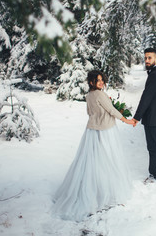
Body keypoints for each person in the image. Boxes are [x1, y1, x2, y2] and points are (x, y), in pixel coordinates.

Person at [52, 70, 134, 221]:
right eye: (98, 80)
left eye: (102, 80)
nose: (101, 83)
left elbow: (90, 112)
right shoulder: (100, 94)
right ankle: (104, 191)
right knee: (108, 159)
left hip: (92, 130)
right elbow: (111, 110)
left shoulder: (89, 95)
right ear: (91, 82)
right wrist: (126, 120)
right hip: (105, 130)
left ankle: (93, 188)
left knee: (91, 160)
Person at [133, 48, 156, 182]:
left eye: (150, 58)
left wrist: (137, 116)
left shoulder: (154, 75)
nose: (147, 60)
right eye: (146, 58)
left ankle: (153, 174)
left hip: (153, 117)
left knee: (153, 146)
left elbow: (146, 98)